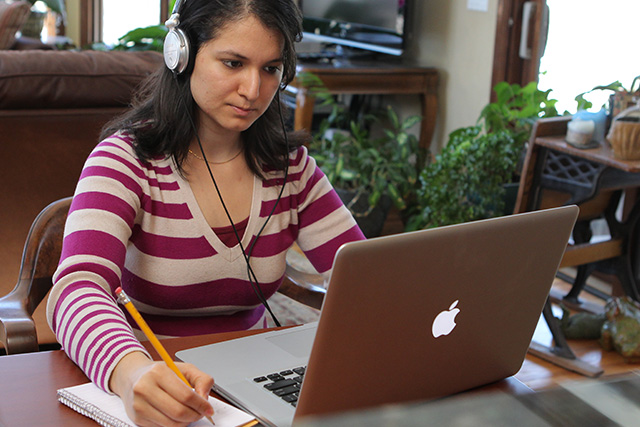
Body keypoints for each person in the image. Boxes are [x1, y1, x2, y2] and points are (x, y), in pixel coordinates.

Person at [45, 0, 365, 425]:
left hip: (256, 379)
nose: (253, 90)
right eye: (233, 63)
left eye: (270, 69)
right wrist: (131, 372)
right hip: (154, 375)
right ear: (181, 54)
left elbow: (366, 279)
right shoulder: (123, 161)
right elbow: (75, 289)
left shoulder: (293, 169)